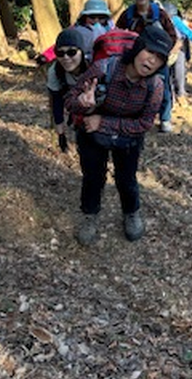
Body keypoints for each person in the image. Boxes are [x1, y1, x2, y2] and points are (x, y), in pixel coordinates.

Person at [64, 23, 173, 246]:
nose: (151, 61)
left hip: (127, 138)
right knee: (93, 178)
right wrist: (83, 103)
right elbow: (69, 101)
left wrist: (103, 122)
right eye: (149, 52)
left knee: (126, 178)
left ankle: (131, 213)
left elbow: (144, 123)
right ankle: (90, 215)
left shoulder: (155, 86)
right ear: (138, 47)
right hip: (91, 135)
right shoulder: (104, 68)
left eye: (159, 58)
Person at [116, 0, 179, 133]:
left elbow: (172, 35)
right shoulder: (127, 15)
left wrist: (164, 53)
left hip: (158, 58)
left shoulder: (160, 14)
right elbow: (117, 35)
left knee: (163, 87)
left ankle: (165, 118)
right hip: (135, 58)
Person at [46, 28, 89, 152]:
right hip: (71, 100)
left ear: (82, 52)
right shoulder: (55, 71)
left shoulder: (93, 67)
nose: (66, 57)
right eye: (60, 53)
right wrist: (61, 134)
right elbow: (56, 103)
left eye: (71, 52)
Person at [162, 2, 192, 104]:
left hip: (178, 47)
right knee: (171, 70)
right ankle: (173, 94)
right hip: (169, 47)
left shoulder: (175, 20)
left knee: (177, 70)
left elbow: (187, 31)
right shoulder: (163, 20)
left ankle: (179, 93)